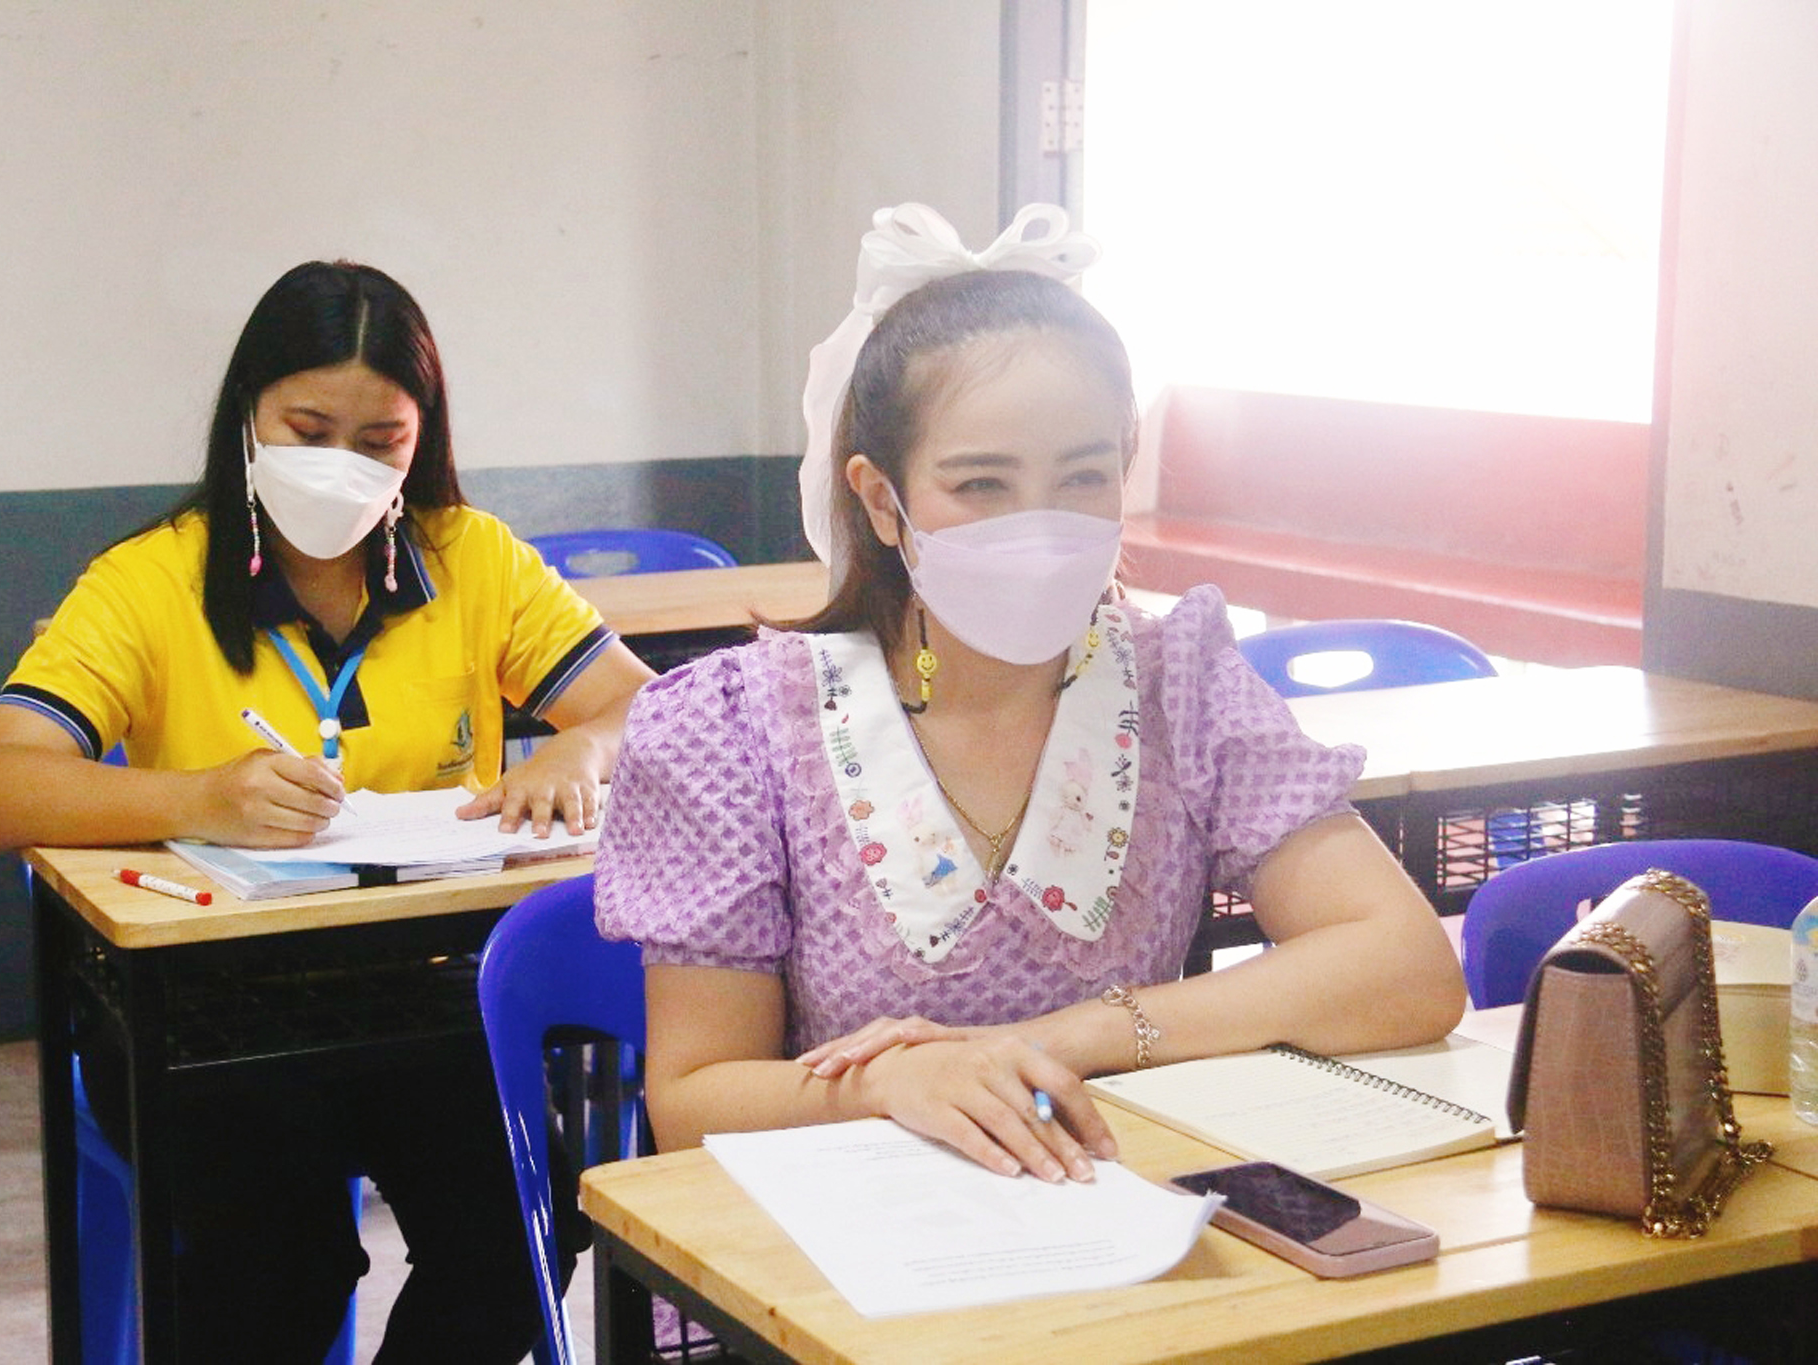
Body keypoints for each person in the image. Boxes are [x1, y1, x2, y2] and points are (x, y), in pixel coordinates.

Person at [593, 205, 1467, 1187]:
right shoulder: (734, 729)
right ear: (882, 501)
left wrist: (1070, 1037)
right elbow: (692, 1100)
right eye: (979, 485)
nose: (1039, 525)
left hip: (1107, 1198)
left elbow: (1404, 968)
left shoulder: (1180, 683)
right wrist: (891, 1084)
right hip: (840, 1236)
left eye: (1082, 476)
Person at [0, 260, 654, 1362]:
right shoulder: (150, 581)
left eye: (381, 443)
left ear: (424, 438)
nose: (341, 467)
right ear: (248, 419)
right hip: (210, 1008)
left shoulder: (470, 560)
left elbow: (646, 711)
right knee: (273, 1274)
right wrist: (195, 798)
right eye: (307, 429)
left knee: (523, 1241)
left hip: (424, 991)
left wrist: (577, 747)